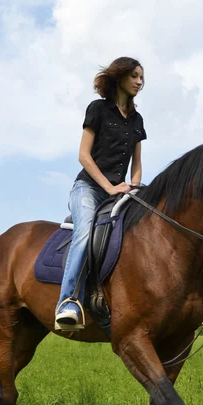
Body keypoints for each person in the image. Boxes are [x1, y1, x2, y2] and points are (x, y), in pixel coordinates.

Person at [55, 57, 146, 331]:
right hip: (89, 188)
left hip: (119, 192)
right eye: (135, 76)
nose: (140, 82)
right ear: (120, 77)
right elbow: (83, 156)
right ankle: (67, 301)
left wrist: (134, 187)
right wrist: (109, 187)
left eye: (142, 78)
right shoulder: (97, 109)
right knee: (84, 233)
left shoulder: (137, 119)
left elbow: (137, 164)